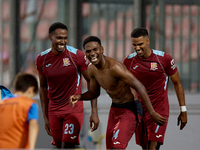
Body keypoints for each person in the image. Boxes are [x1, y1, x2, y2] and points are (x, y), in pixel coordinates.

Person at [69, 36, 167, 150]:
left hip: (130, 108)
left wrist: (152, 112)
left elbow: (140, 86)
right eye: (88, 51)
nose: (92, 53)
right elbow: (94, 93)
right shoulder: (91, 70)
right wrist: (79, 97)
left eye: (95, 50)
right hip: (115, 109)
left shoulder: (115, 68)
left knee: (117, 147)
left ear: (102, 49)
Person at [36, 22, 99, 148]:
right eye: (59, 38)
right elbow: (43, 87)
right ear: (50, 37)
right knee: (59, 146)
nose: (63, 41)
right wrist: (45, 116)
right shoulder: (41, 59)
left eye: (65, 38)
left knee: (68, 146)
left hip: (73, 109)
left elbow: (92, 81)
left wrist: (94, 112)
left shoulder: (76, 55)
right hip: (54, 110)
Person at [123, 27, 188, 150]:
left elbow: (177, 84)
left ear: (148, 41)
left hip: (159, 109)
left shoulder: (164, 59)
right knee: (145, 147)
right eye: (134, 45)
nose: (137, 48)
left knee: (153, 146)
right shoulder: (128, 61)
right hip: (139, 110)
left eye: (140, 44)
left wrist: (183, 110)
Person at [0, 73, 39, 149]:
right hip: (19, 147)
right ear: (30, 90)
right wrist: (31, 148)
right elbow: (33, 125)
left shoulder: (2, 104)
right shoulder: (30, 104)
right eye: (32, 95)